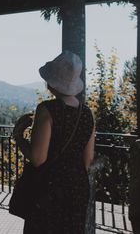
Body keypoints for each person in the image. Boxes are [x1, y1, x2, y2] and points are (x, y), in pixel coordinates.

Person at [13, 50, 95, 234]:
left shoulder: (47, 110)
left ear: (52, 83)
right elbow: (88, 159)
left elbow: (38, 158)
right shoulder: (88, 114)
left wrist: (19, 137)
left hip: (49, 189)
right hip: (77, 188)